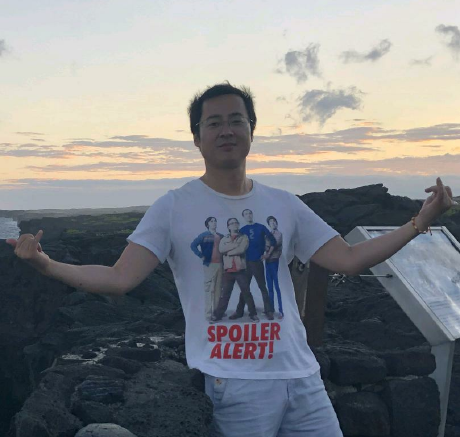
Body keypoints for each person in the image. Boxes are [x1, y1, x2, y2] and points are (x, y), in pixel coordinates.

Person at [6, 82, 456, 437]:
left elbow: (350, 258)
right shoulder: (173, 207)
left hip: (303, 377)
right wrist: (47, 265)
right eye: (214, 122)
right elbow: (119, 278)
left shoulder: (284, 203)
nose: (226, 130)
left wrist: (419, 222)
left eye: (236, 120)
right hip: (232, 383)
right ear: (197, 138)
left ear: (251, 131)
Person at [229, 209, 277, 321]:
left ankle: (268, 311)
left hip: (257, 262)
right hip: (246, 263)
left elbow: (273, 240)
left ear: (252, 215)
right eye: (246, 214)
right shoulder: (242, 230)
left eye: (250, 213)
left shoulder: (260, 227)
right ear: (243, 217)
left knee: (262, 286)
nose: (248, 215)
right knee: (244, 288)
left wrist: (267, 254)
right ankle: (239, 311)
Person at [212, 218, 258, 322]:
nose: (234, 225)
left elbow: (241, 249)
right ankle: (217, 315)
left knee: (246, 293)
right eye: (232, 223)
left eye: (236, 223)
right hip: (228, 271)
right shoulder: (224, 238)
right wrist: (235, 245)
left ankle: (253, 314)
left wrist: (228, 252)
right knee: (225, 294)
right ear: (228, 226)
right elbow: (221, 249)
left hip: (240, 270)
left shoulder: (244, 237)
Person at [191, 216, 224, 320]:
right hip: (209, 265)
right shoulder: (203, 235)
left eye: (215, 221)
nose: (214, 223)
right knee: (209, 289)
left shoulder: (221, 236)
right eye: (211, 221)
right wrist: (201, 255)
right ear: (207, 224)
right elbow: (193, 245)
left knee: (218, 289)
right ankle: (208, 314)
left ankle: (216, 313)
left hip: (220, 264)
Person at [265, 215, 284, 319]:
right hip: (267, 262)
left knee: (277, 287)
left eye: (274, 221)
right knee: (270, 287)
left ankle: (281, 310)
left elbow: (273, 244)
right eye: (271, 222)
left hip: (274, 261)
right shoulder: (268, 234)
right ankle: (271, 309)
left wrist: (266, 250)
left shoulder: (279, 234)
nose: (273, 223)